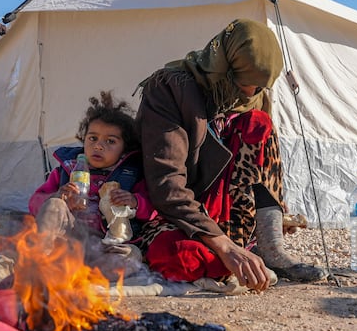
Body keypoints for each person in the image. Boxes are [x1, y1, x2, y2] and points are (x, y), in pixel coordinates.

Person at [134, 18, 326, 292]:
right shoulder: (169, 89)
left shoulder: (254, 97)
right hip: (169, 213)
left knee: (258, 123)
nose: (250, 93)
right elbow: (168, 188)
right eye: (244, 83)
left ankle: (269, 250)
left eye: (259, 87)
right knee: (181, 257)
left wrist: (266, 224)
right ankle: (234, 251)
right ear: (223, 66)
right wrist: (223, 245)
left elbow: (257, 171)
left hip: (226, 217)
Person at [28, 91, 154, 279]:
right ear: (83, 139)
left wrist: (135, 201)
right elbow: (34, 203)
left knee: (131, 256)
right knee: (54, 205)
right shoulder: (65, 171)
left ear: (124, 149)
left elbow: (152, 208)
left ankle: (83, 274)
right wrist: (57, 197)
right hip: (68, 238)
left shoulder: (131, 175)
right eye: (92, 138)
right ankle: (40, 259)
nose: (98, 146)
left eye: (110, 141)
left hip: (107, 244)